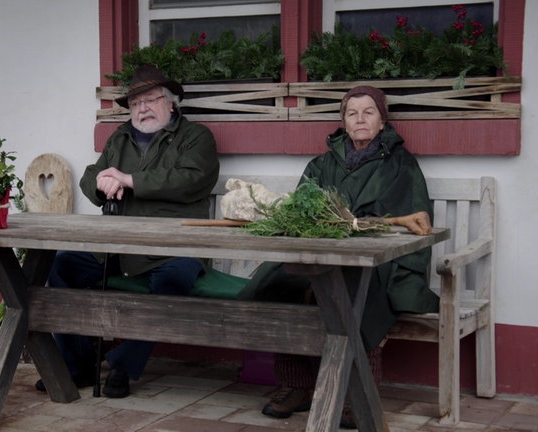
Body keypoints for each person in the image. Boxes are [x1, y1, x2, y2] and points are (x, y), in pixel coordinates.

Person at [239, 86, 438, 428]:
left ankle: (358, 392)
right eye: (352, 113)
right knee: (280, 282)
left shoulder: (401, 165)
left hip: (374, 261)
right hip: (319, 252)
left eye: (368, 112)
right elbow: (299, 214)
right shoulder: (320, 165)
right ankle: (296, 385)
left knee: (357, 294)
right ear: (343, 122)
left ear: (381, 120)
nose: (360, 119)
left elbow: (414, 221)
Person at [34, 65, 220, 398]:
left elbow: (190, 180)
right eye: (135, 104)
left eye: (150, 100)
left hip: (174, 246)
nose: (143, 109)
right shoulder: (120, 137)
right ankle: (79, 364)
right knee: (61, 266)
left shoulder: (196, 137)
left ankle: (123, 364)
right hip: (118, 246)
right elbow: (92, 177)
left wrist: (128, 180)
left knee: (173, 280)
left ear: (171, 103)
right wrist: (103, 185)